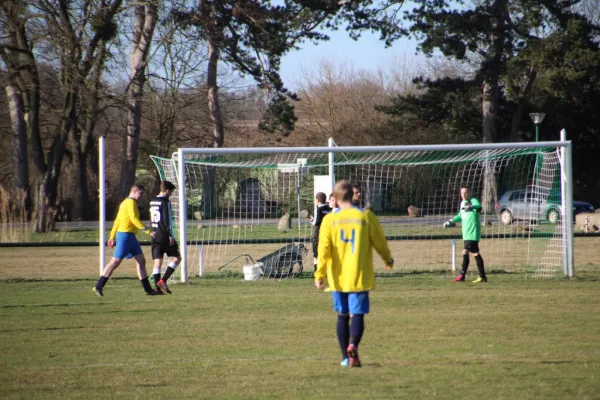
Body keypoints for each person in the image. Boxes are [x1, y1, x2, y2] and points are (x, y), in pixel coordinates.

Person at [315, 180, 394, 368]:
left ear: (335, 199)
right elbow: (380, 242)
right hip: (359, 275)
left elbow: (323, 249)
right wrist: (387, 259)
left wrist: (320, 274)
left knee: (342, 316)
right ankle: (353, 345)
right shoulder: (365, 217)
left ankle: (345, 356)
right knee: (357, 315)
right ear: (353, 195)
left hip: (337, 278)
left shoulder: (330, 220)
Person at [93, 184, 157, 296]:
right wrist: (149, 231)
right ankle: (98, 286)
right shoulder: (130, 203)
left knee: (141, 260)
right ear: (135, 191)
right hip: (125, 237)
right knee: (115, 262)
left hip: (131, 237)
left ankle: (148, 290)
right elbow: (134, 219)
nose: (141, 196)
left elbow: (117, 220)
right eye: (140, 193)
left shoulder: (125, 203)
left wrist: (112, 236)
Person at [443, 186, 487, 283]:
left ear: (470, 193)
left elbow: (479, 206)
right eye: (462, 193)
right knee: (473, 253)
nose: (464, 195)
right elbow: (460, 215)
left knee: (466, 251)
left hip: (473, 232)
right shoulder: (462, 203)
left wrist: (471, 207)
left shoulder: (473, 200)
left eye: (466, 193)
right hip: (466, 233)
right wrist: (450, 221)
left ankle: (463, 275)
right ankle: (482, 276)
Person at [150, 181, 181, 294]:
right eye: (171, 192)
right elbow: (167, 220)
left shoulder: (152, 201)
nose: (171, 194)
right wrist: (171, 236)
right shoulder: (165, 202)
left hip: (154, 235)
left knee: (158, 262)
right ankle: (163, 280)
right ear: (167, 190)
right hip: (164, 235)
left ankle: (158, 289)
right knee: (177, 258)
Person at [310, 192, 332, 272]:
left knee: (316, 254)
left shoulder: (318, 209)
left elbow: (316, 222)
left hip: (319, 233)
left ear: (317, 200)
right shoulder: (330, 209)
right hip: (329, 234)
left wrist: (311, 220)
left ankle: (317, 272)